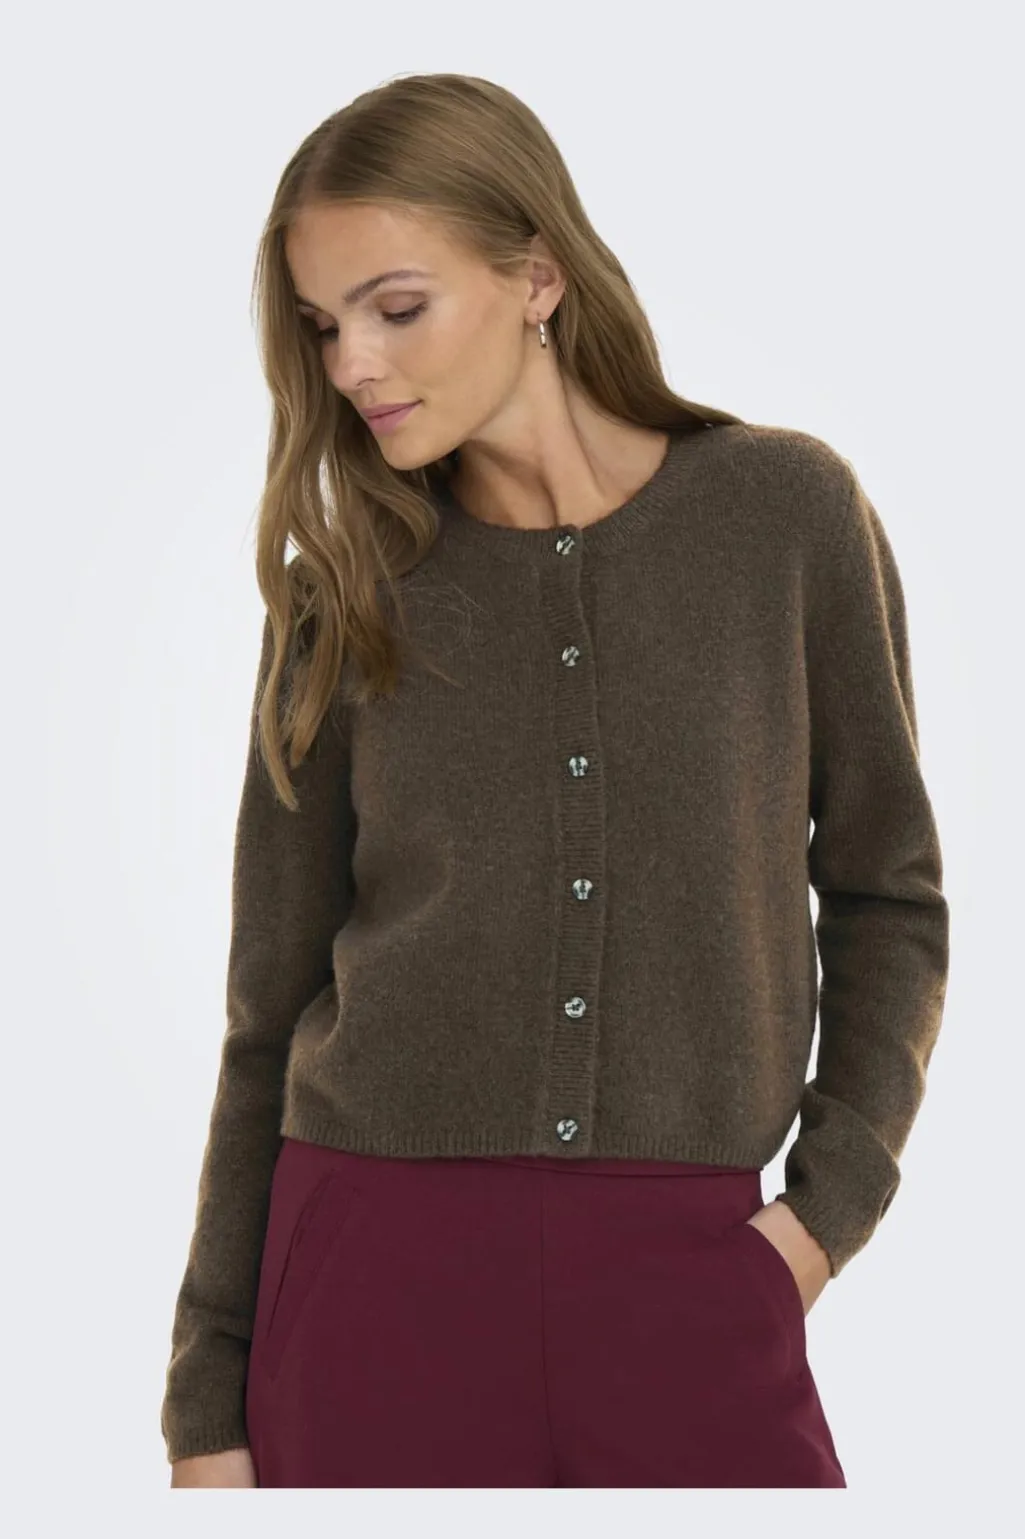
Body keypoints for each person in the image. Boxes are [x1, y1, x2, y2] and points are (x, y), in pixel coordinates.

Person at [162, 73, 949, 1489]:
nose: (352, 364)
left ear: (537, 276)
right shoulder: (345, 590)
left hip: (694, 1271)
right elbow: (266, 1005)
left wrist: (819, 1220)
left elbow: (890, 896)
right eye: (323, 325)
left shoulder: (784, 517)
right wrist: (206, 1400)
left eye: (397, 308)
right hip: (371, 1272)